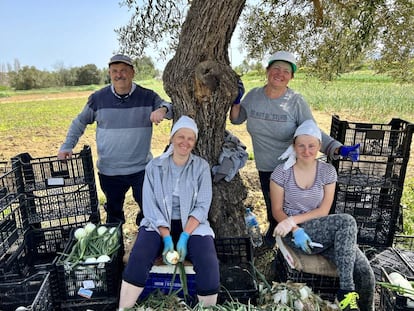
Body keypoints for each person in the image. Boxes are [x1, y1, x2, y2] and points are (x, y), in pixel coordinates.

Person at [229, 51, 359, 247]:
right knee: (274, 208)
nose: (280, 74)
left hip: (290, 168)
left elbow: (311, 132)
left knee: (291, 210)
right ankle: (276, 241)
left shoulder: (295, 101)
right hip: (265, 166)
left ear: (291, 77)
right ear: (267, 71)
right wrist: (236, 101)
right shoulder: (254, 96)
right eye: (276, 69)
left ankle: (299, 242)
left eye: (286, 71)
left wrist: (338, 149)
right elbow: (236, 118)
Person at [270, 120, 375, 311]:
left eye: (311, 146)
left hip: (322, 230)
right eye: (301, 145)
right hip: (297, 235)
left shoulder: (327, 172)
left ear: (319, 146)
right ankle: (346, 293)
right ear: (294, 146)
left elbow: (323, 211)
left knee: (365, 272)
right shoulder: (282, 173)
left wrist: (294, 220)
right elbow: (277, 210)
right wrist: (294, 227)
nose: (306, 150)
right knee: (347, 221)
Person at [58, 54, 173, 225]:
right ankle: (116, 248)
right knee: (114, 216)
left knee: (149, 212)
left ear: (132, 72)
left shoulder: (148, 96)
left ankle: (145, 243)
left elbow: (171, 109)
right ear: (110, 74)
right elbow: (80, 121)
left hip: (141, 170)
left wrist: (163, 109)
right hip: (109, 171)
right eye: (114, 71)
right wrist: (67, 146)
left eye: (124, 71)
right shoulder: (98, 98)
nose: (119, 75)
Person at [118, 115, 220, 309]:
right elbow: (149, 206)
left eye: (190, 138)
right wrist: (166, 237)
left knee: (208, 261)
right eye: (181, 136)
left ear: (195, 142)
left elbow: (202, 205)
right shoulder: (154, 167)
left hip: (191, 225)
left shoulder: (201, 167)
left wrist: (184, 237)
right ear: (172, 138)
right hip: (158, 222)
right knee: (139, 255)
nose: (185, 142)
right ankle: (124, 307)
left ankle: (208, 307)